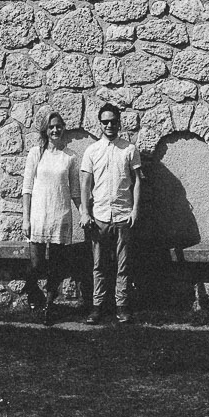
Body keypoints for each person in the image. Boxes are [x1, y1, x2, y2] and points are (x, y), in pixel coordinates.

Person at [78, 101, 144, 324]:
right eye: (105, 122)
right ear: (100, 124)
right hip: (100, 217)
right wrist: (84, 212)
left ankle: (122, 306)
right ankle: (97, 306)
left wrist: (135, 209)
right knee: (99, 265)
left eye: (113, 121)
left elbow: (137, 182)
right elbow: (85, 184)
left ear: (119, 123)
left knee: (123, 265)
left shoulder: (129, 149)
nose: (109, 125)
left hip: (123, 216)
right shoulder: (92, 151)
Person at [20, 112, 82, 325]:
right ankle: (31, 287)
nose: (55, 130)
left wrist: (84, 213)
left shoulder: (71, 157)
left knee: (56, 266)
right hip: (38, 216)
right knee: (37, 264)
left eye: (58, 126)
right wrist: (25, 219)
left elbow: (75, 191)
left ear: (63, 128)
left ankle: (49, 306)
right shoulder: (36, 153)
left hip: (60, 216)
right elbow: (27, 189)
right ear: (45, 131)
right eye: (51, 127)